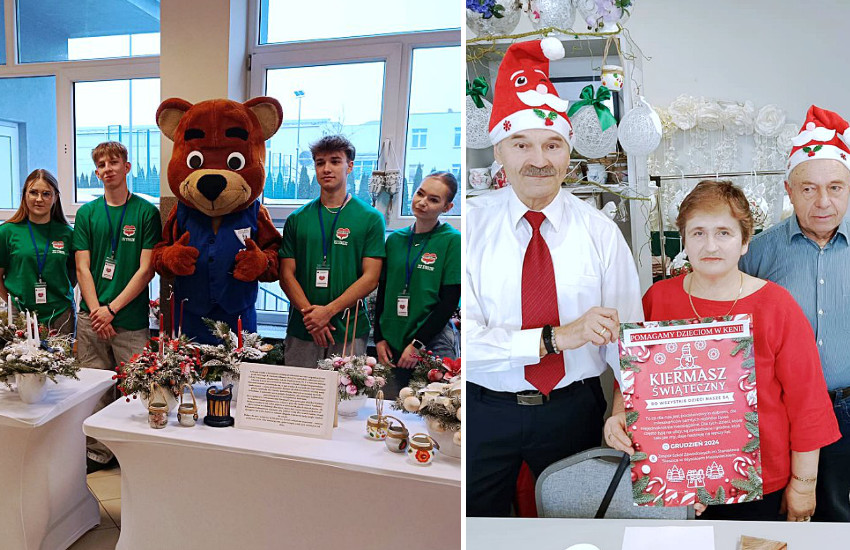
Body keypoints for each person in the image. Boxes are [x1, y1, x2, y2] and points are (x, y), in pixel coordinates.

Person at [466, 38, 643, 517]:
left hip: (574, 410)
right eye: (521, 144)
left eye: (552, 144)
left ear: (569, 152)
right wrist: (555, 338)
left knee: (577, 525)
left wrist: (622, 409)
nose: (538, 159)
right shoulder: (470, 229)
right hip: (484, 409)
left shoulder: (602, 235)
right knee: (477, 527)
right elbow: (468, 343)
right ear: (499, 149)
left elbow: (629, 341)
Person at [606, 180, 840, 521]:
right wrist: (617, 416)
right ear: (683, 240)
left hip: (760, 482)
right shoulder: (658, 299)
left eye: (724, 233)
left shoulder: (776, 306)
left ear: (745, 241)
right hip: (674, 481)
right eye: (698, 233)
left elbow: (807, 404)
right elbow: (633, 382)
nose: (710, 245)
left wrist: (804, 485)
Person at [739, 105, 850, 522]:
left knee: (840, 522)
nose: (823, 201)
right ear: (789, 189)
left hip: (847, 409)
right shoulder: (758, 252)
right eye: (808, 189)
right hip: (778, 412)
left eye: (835, 187)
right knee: (781, 518)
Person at [74, 141, 162, 472]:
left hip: (130, 318)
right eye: (101, 164)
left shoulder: (145, 212)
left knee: (136, 387)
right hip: (91, 319)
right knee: (96, 388)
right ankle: (98, 451)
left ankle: (133, 452)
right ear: (96, 172)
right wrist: (98, 311)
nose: (107, 168)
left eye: (114, 162)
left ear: (127, 167)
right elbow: (83, 267)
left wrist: (111, 310)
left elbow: (146, 269)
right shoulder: (87, 214)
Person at [279, 135, 385, 367]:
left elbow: (371, 278)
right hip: (303, 326)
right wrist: (312, 316)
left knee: (344, 401)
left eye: (335, 161)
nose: (326, 169)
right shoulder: (297, 219)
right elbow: (286, 275)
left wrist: (327, 312)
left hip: (349, 327)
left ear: (350, 166)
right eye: (320, 162)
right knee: (299, 396)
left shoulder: (370, 218)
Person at [374, 172, 460, 395]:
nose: (422, 202)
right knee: (392, 410)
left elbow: (449, 301)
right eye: (420, 194)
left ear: (447, 207)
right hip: (392, 342)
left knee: (432, 414)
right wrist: (379, 337)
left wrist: (418, 345)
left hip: (430, 343)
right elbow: (383, 291)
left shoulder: (452, 241)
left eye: (433, 199)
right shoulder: (394, 240)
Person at [0, 169, 75, 334]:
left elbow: (73, 274)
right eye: (33, 192)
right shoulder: (7, 232)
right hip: (20, 314)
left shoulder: (67, 233)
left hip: (60, 314)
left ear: (55, 197)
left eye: (46, 194)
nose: (39, 199)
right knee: (20, 360)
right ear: (24, 195)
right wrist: (14, 304)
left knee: (63, 360)